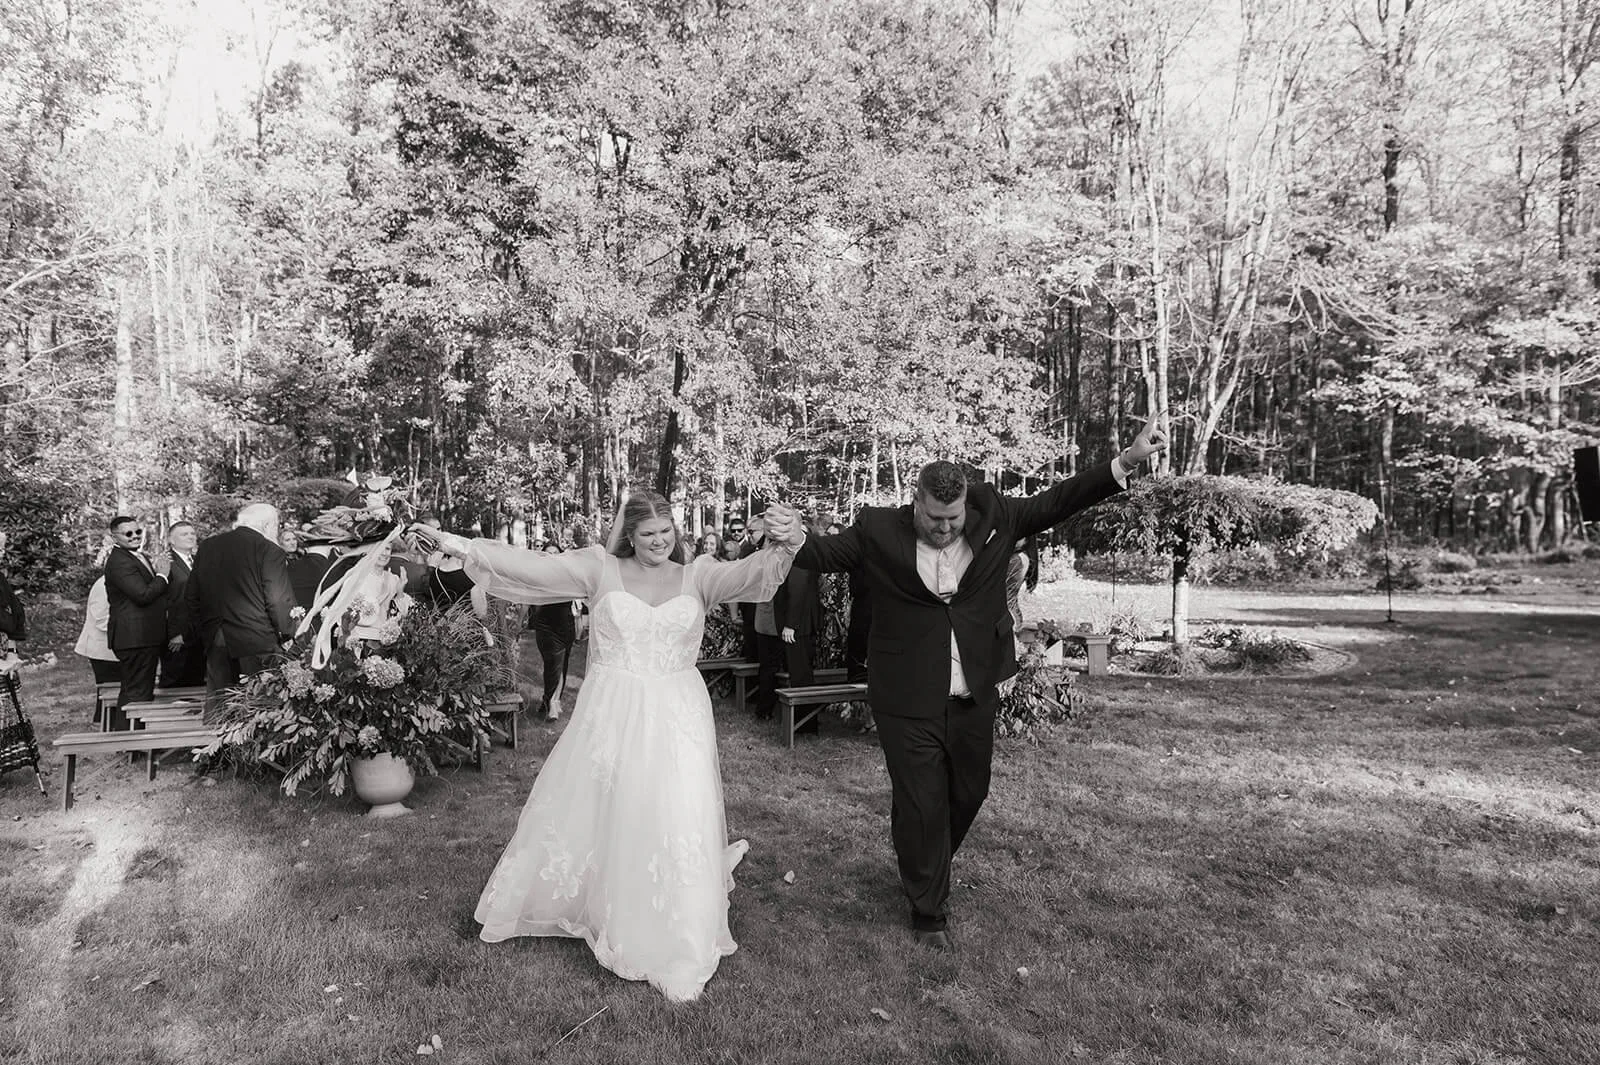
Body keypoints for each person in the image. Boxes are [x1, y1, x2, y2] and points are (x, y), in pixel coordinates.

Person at [792, 413, 1167, 951]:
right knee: (923, 803)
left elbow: (1057, 501)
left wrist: (1125, 462)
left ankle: (921, 853)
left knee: (968, 792)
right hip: (906, 695)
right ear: (915, 503)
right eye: (934, 518)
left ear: (966, 504)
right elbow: (822, 555)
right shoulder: (878, 530)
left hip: (973, 692)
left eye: (952, 518)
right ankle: (928, 911)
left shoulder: (994, 514)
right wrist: (791, 537)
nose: (944, 529)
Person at [416, 491, 802, 1002]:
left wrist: (789, 538)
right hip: (613, 710)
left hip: (678, 713)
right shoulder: (599, 569)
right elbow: (533, 568)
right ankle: (611, 904)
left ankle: (678, 926)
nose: (660, 541)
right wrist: (464, 546)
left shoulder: (701, 575)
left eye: (666, 531)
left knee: (677, 809)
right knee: (614, 804)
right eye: (648, 534)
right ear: (629, 534)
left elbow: (756, 572)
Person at [186, 503, 298, 722]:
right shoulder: (268, 549)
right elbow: (277, 599)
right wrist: (289, 632)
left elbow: (191, 596)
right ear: (268, 525)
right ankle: (255, 754)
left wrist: (204, 629)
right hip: (256, 638)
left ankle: (217, 752)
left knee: (220, 702)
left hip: (216, 636)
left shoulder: (209, 546)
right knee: (261, 702)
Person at [104, 515, 173, 725]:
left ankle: (135, 737)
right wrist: (162, 576)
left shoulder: (134, 556)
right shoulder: (119, 562)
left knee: (141, 689)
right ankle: (129, 740)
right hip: (134, 638)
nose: (134, 537)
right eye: (128, 533)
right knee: (136, 691)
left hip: (143, 637)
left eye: (137, 532)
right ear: (114, 537)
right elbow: (142, 595)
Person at [526, 542, 580, 719]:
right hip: (545, 625)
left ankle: (551, 700)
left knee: (561, 665)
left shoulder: (569, 574)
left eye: (555, 552)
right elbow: (528, 598)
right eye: (547, 553)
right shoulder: (537, 575)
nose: (551, 555)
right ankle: (552, 703)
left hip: (565, 625)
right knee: (552, 664)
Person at [159, 521, 206, 688]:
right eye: (184, 534)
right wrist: (175, 633)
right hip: (178, 637)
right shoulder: (167, 562)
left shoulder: (196, 561)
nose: (190, 537)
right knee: (176, 682)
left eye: (192, 533)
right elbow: (166, 600)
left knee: (196, 682)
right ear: (171, 540)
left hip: (197, 634)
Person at [280, 528, 333, 613]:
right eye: (287, 540)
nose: (292, 543)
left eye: (294, 539)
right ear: (280, 543)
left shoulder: (302, 557)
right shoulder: (281, 561)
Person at [0, 531, 24, 657]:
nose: (3, 553)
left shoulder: (1, 580)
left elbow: (15, 611)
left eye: (3, 549)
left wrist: (12, 650)